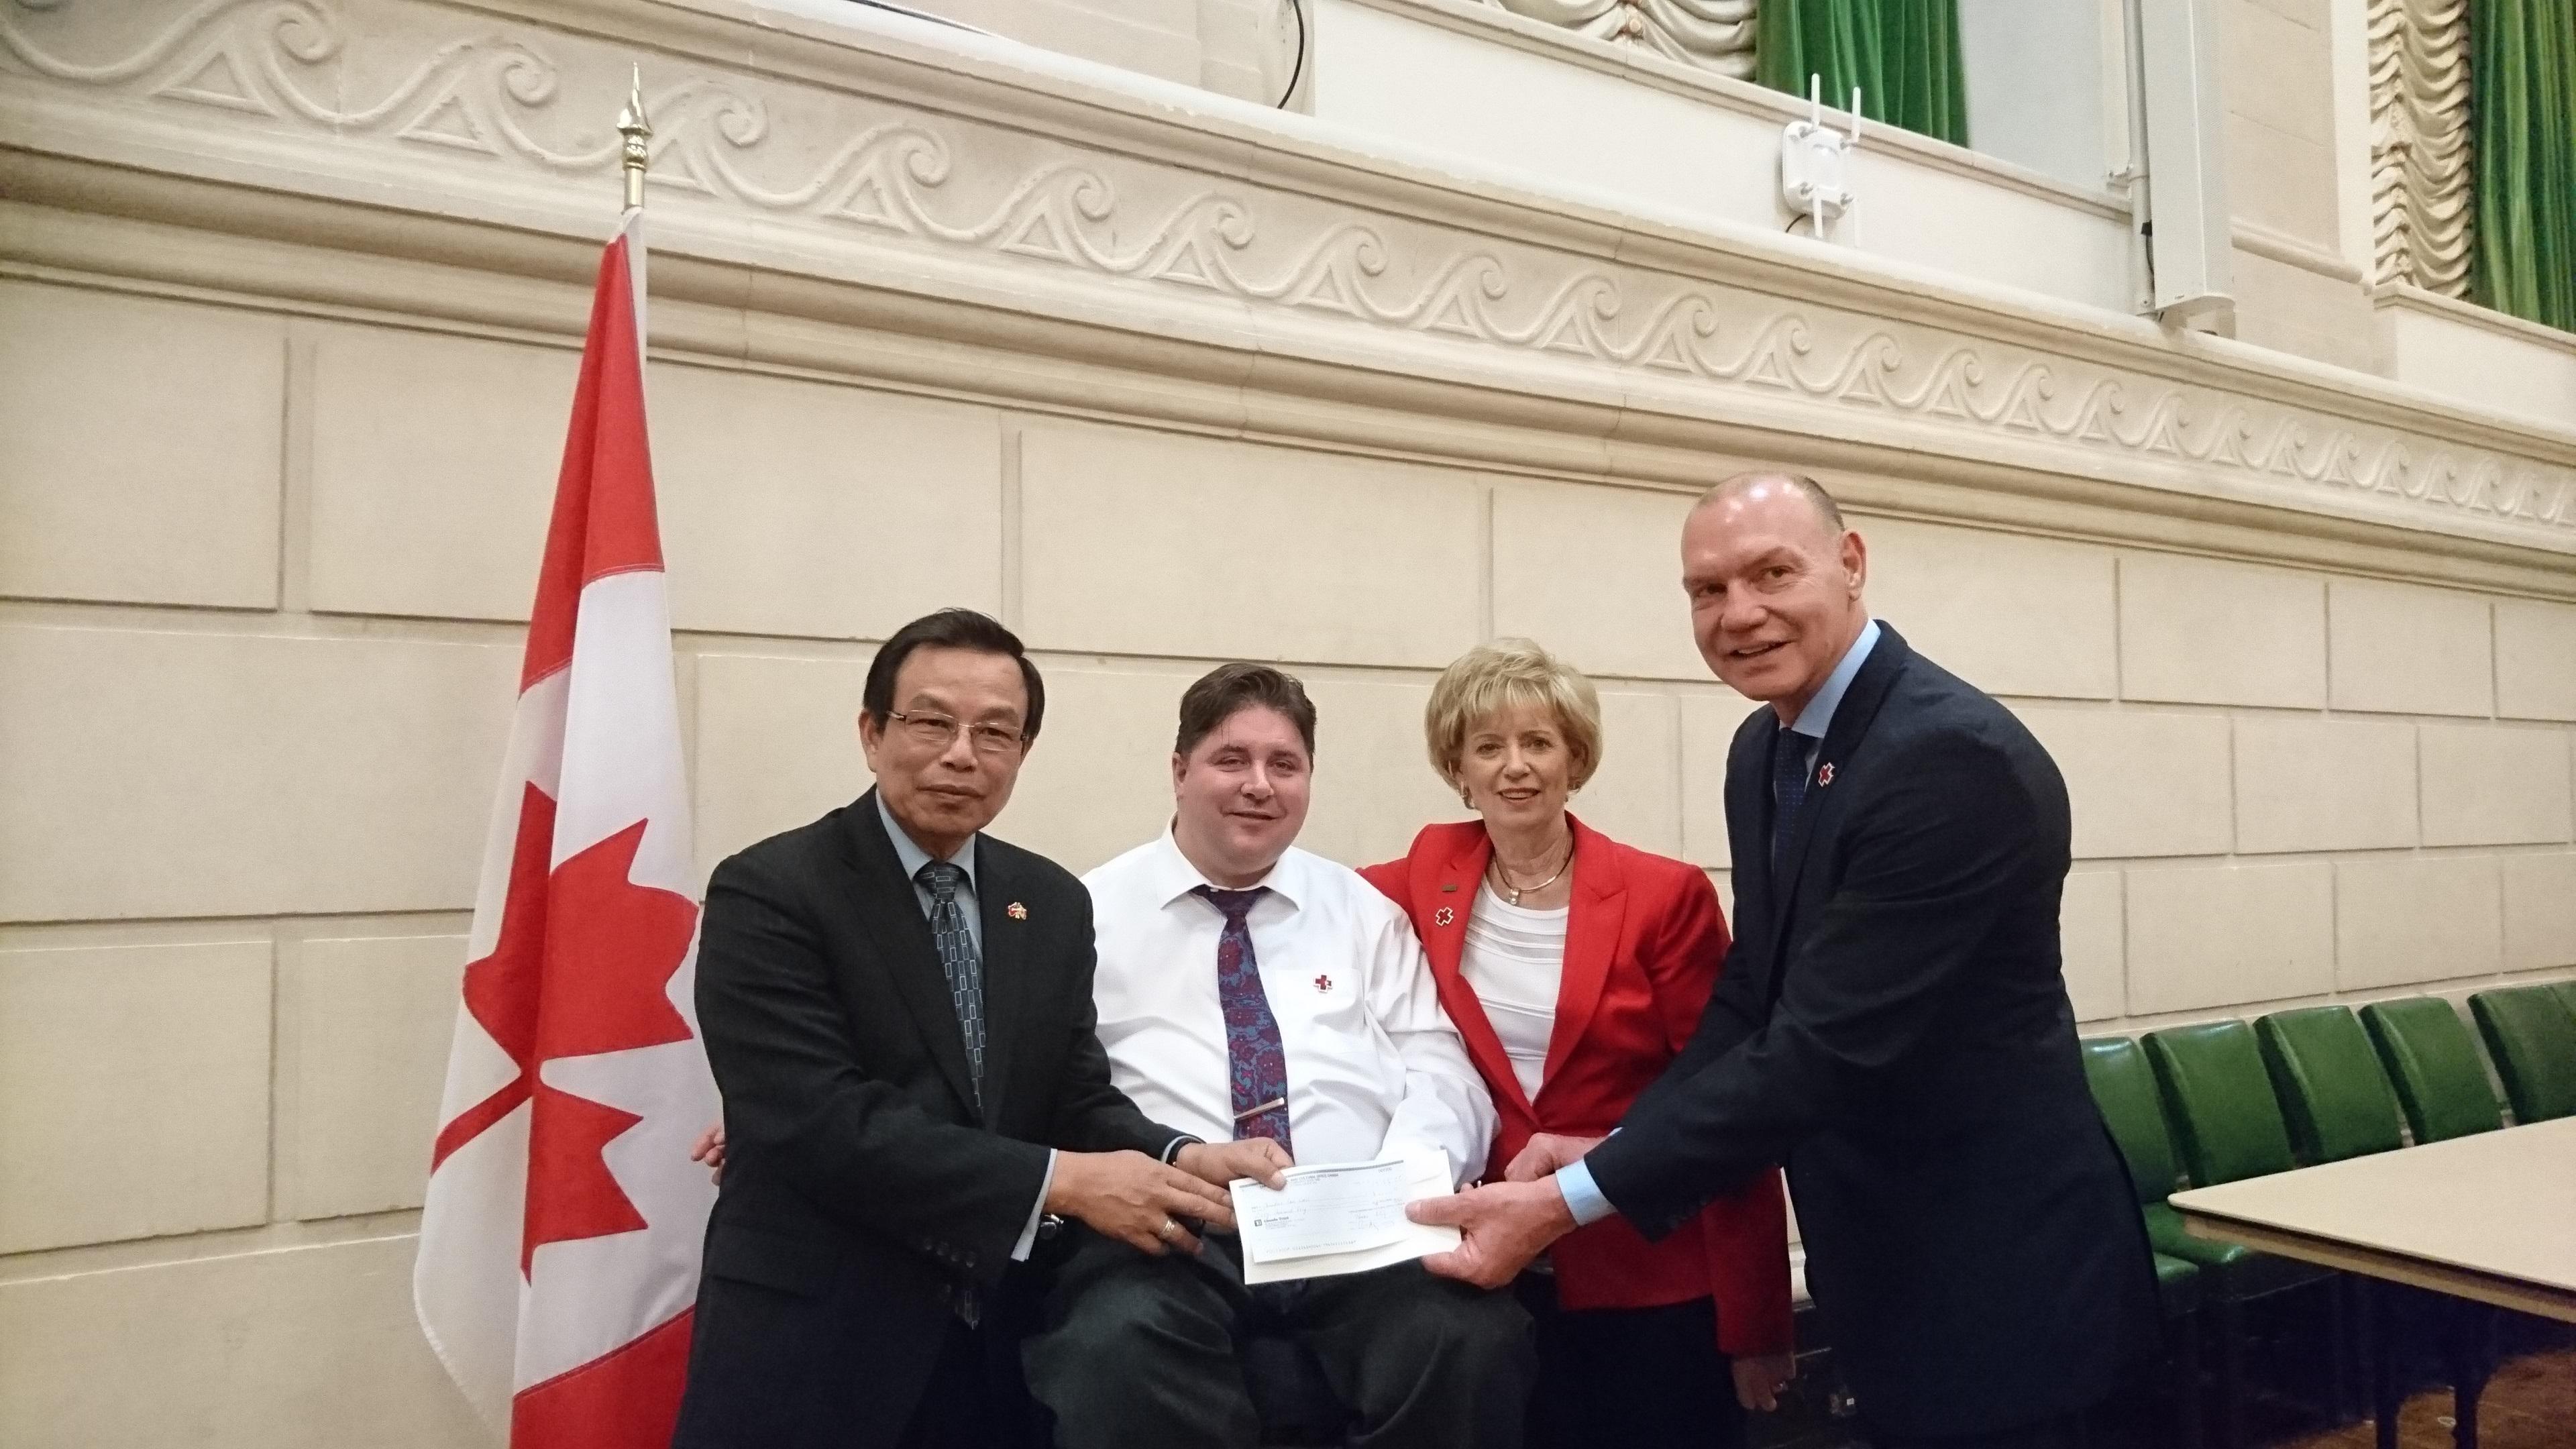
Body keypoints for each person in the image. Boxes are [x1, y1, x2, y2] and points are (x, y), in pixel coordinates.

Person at [1409, 475, 2161, 1448]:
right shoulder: (1767, 750)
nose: (1740, 615)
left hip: (2001, 1273)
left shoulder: (1947, 759)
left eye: (1772, 574)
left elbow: (1821, 1052)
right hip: (1878, 1260)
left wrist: (1567, 1203)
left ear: (1852, 565)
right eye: (1707, 590)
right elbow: (1752, 998)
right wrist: (1624, 1135)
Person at [671, 609, 1244, 1449]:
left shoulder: (1047, 900)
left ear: (1023, 752)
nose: (962, 754)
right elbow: (819, 1123)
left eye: (996, 732)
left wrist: (1178, 1158)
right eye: (932, 721)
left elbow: (1072, 1096)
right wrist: (1064, 1183)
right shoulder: (771, 890)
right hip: (817, 1349)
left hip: (995, 1352)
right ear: (871, 733)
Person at [1026, 661, 1534, 1449]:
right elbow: (1058, 1090)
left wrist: (1396, 1184)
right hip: (1175, 1228)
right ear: (1180, 770)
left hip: (1360, 1230)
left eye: (1284, 765)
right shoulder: (1086, 916)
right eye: (1232, 760)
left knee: (1466, 1339)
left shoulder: (1364, 913)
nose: (1259, 785)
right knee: (1113, 1351)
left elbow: (1440, 1066)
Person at [1358, 639, 1794, 1448]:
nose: (1514, 767)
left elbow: (1729, 1107)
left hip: (1648, 1270)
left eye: (1538, 742)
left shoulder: (1665, 896)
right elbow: (1299, 905)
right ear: (1459, 767)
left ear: (1576, 758)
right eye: (1488, 746)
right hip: (1496, 1275)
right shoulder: (1424, 874)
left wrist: (1757, 1323)